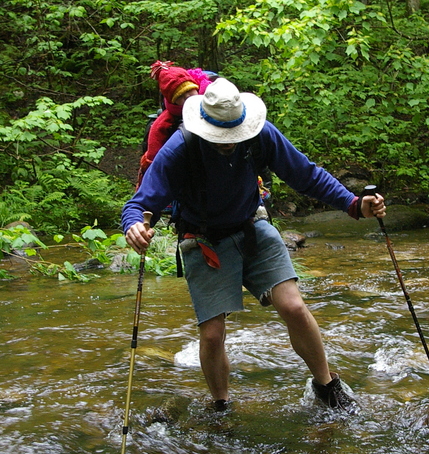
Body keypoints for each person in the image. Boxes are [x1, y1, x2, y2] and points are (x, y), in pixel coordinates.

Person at [122, 78, 386, 412]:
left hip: (252, 227)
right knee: (212, 334)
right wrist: (134, 226)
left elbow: (305, 174)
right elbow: (140, 203)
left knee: (293, 307)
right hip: (203, 240)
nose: (230, 142)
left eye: (234, 134)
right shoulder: (181, 147)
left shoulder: (260, 134)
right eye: (222, 137)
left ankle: (327, 387)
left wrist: (353, 205)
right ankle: (221, 407)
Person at [135, 61, 214, 189]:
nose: (187, 97)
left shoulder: (211, 95)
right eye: (180, 96)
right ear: (173, 101)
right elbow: (155, 140)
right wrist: (150, 166)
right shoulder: (168, 117)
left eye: (189, 91)